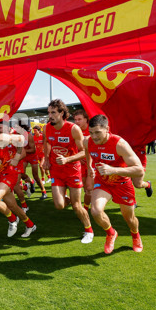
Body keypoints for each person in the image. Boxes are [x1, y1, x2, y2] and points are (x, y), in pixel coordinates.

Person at [84, 115, 145, 254]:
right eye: (91, 132)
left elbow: (139, 169)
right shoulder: (87, 141)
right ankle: (111, 233)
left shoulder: (119, 144)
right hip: (103, 182)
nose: (94, 136)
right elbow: (87, 151)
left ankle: (135, 235)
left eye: (97, 132)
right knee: (96, 211)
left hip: (122, 184)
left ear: (107, 129)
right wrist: (89, 167)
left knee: (129, 218)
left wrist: (113, 170)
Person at [43, 99, 94, 243]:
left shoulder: (73, 129)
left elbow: (84, 152)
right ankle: (72, 200)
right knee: (59, 205)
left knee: (77, 206)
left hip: (72, 171)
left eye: (53, 112)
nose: (50, 115)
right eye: (49, 113)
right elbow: (46, 142)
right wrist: (46, 158)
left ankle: (88, 230)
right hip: (56, 170)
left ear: (62, 113)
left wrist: (67, 159)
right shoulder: (47, 128)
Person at [73, 109, 92, 211]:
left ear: (86, 119)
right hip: (80, 164)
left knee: (89, 188)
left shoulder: (92, 129)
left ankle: (86, 208)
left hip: (92, 164)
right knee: (86, 189)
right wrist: (79, 158)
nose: (77, 122)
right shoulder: (75, 130)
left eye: (79, 119)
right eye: (75, 119)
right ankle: (86, 207)